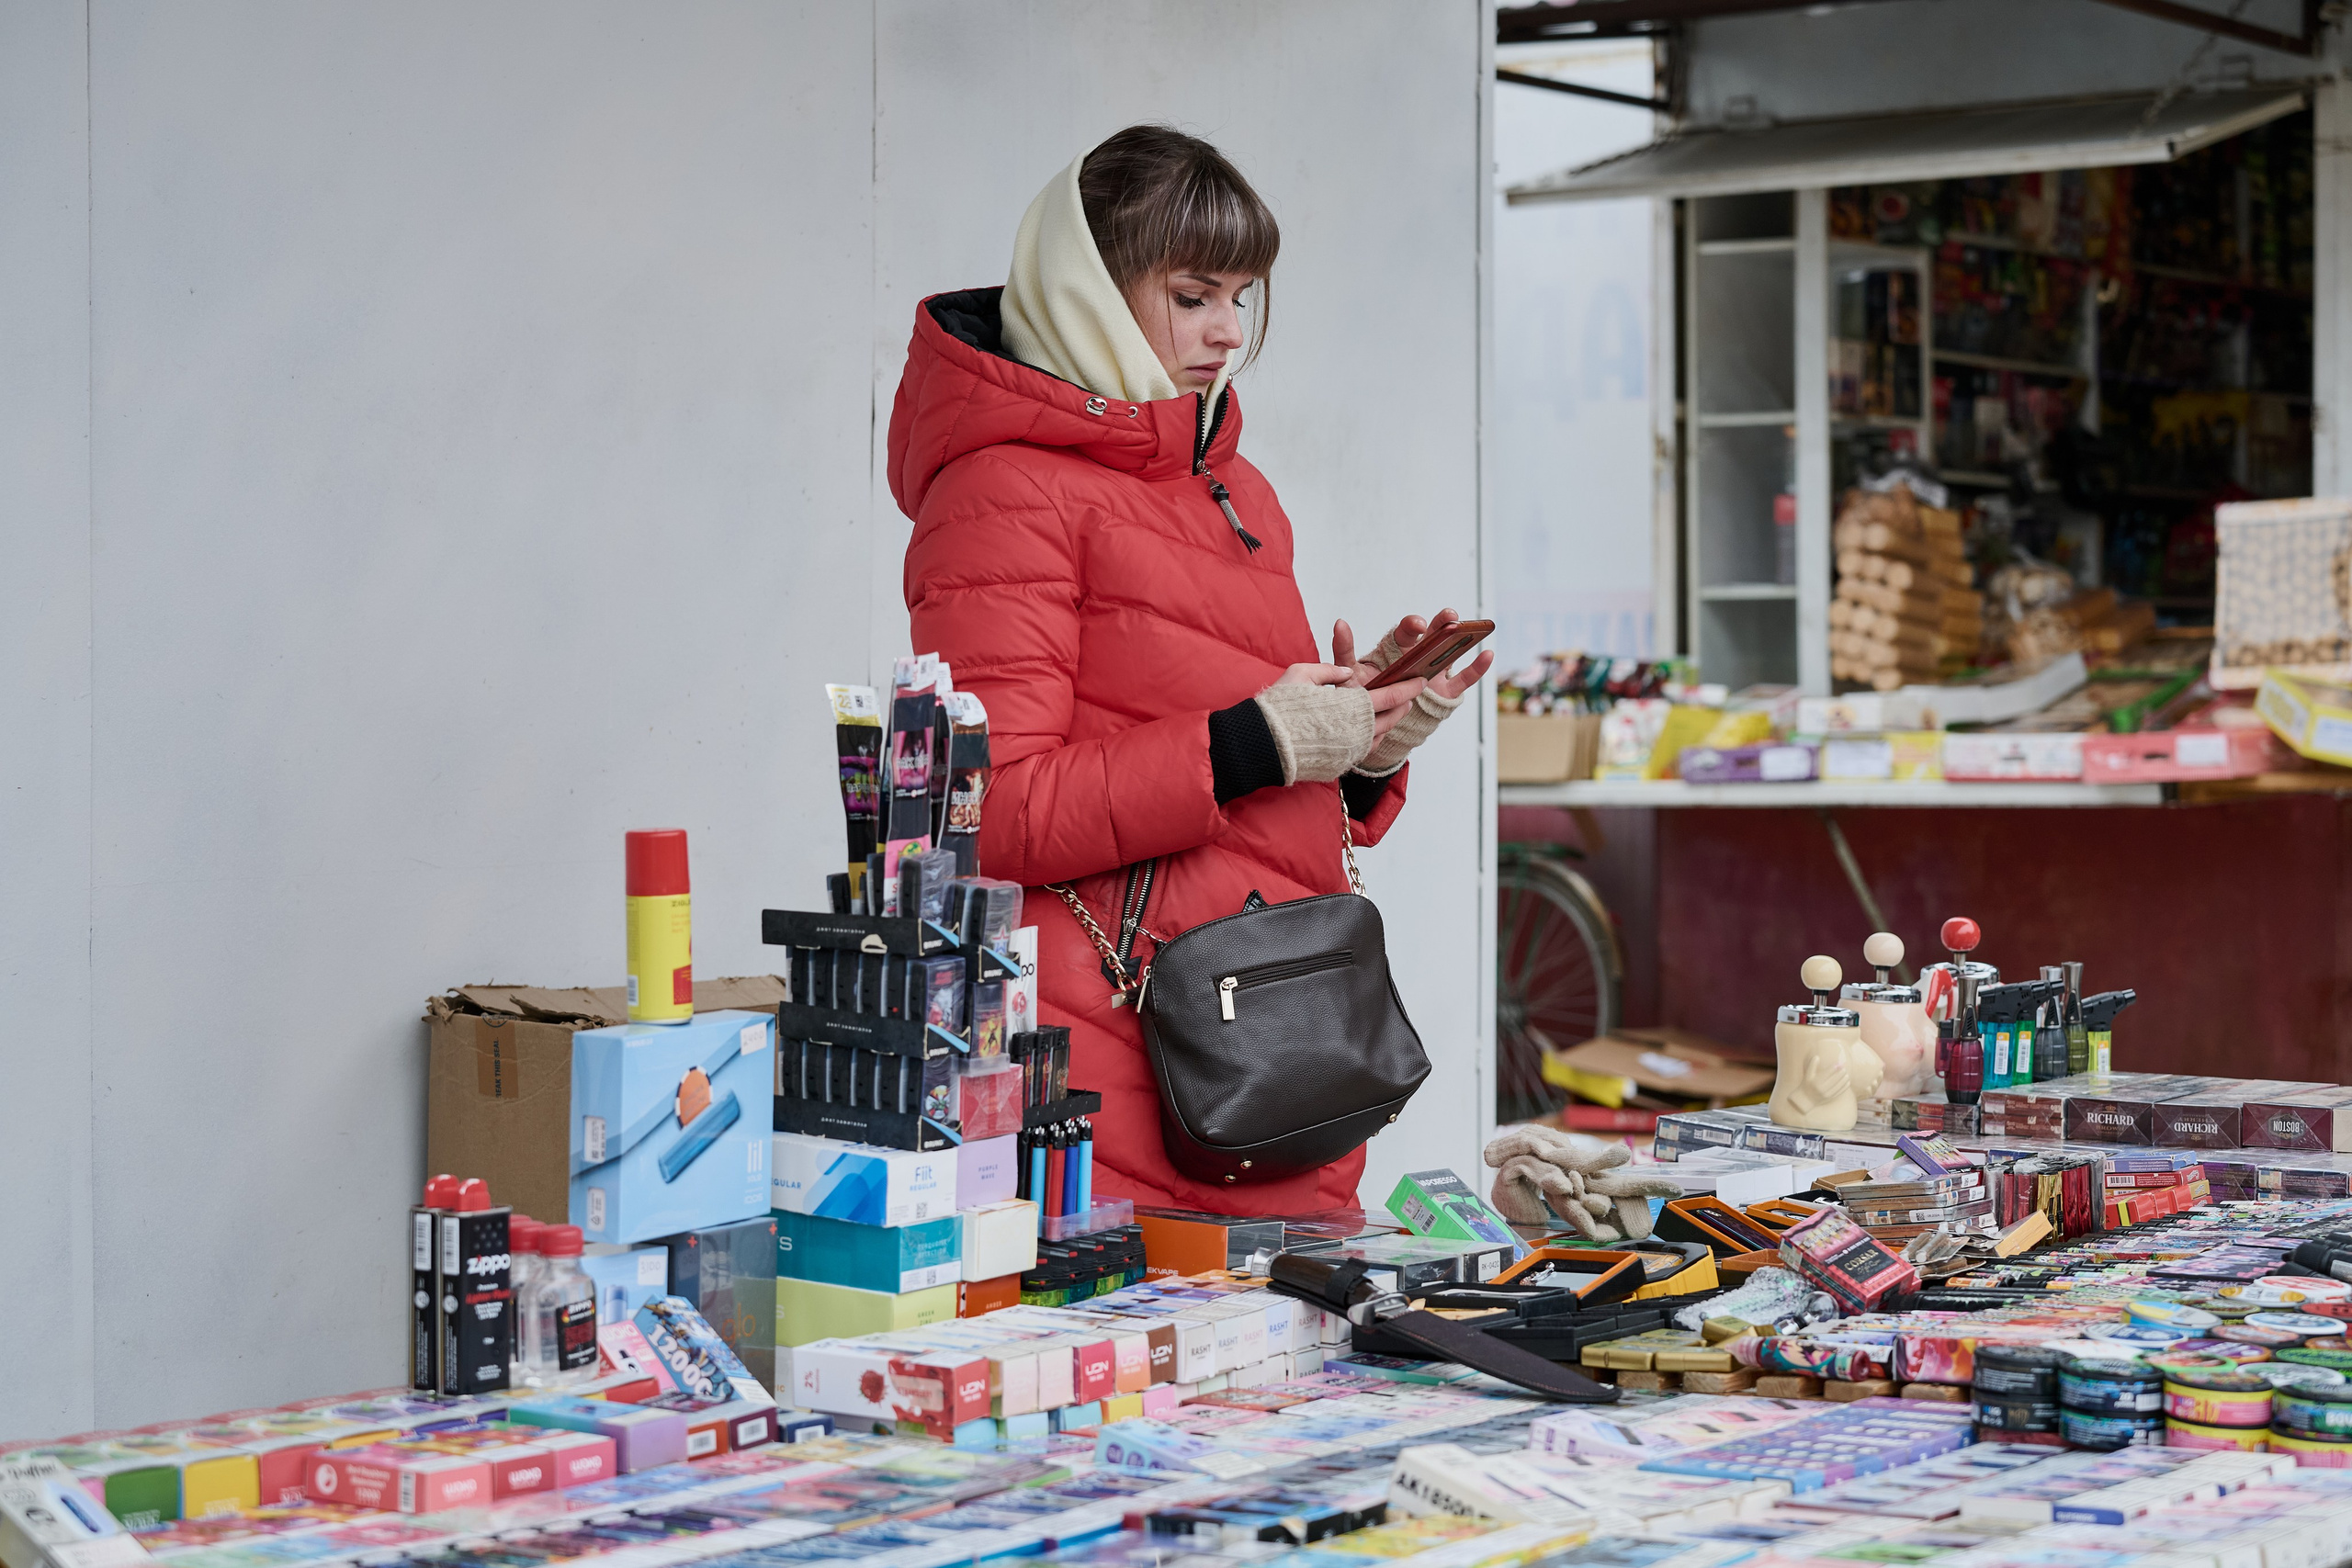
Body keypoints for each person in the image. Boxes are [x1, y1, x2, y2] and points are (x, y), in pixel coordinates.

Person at [888, 125, 1489, 1213]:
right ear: (1091, 293)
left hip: (1283, 1036)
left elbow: (1248, 777)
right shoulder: (999, 496)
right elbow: (984, 815)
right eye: (1193, 295)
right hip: (1128, 1067)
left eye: (1243, 298)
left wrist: (1362, 743)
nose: (1226, 333)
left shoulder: (1236, 487)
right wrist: (1256, 737)